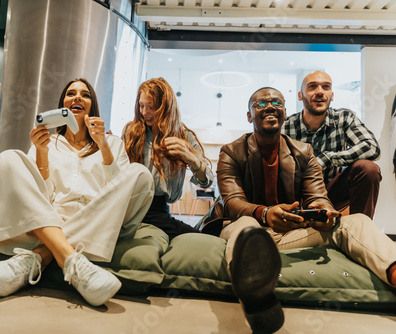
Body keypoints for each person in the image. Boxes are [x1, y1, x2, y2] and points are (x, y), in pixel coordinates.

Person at [217, 87, 396, 333]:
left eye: (276, 102)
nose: (270, 106)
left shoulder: (304, 152)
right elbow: (233, 202)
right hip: (247, 227)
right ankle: (257, 300)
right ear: (249, 116)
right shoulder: (231, 151)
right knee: (246, 229)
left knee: (356, 222)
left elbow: (318, 196)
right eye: (260, 104)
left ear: (285, 113)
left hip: (292, 234)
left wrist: (323, 213)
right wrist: (266, 214)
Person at [0, 78, 154, 307]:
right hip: (51, 215)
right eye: (71, 93)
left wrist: (103, 145)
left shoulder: (112, 143)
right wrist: (42, 152)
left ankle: (39, 256)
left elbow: (116, 191)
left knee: (140, 174)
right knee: (8, 158)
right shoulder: (47, 142)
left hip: (97, 218)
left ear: (93, 106)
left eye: (85, 94)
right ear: (62, 104)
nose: (78, 97)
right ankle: (71, 260)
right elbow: (41, 196)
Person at [122, 77, 214, 239]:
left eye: (151, 107)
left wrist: (190, 157)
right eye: (141, 106)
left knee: (205, 241)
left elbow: (207, 180)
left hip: (158, 211)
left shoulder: (184, 136)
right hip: (127, 208)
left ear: (165, 107)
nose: (144, 112)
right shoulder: (131, 132)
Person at [283, 71, 381, 218]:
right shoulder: (286, 127)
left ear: (332, 95)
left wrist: (327, 158)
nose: (320, 92)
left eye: (326, 87)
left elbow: (371, 147)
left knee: (368, 169)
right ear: (300, 95)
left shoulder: (344, 118)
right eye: (312, 87)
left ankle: (360, 227)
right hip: (299, 194)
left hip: (332, 190)